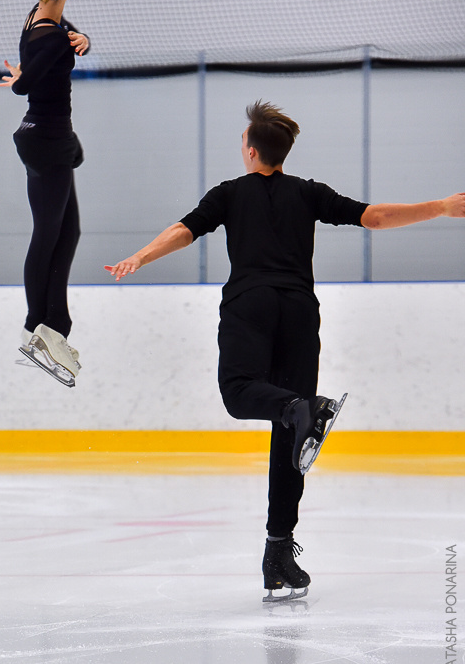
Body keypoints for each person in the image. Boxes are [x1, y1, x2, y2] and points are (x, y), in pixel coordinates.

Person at [105, 100, 465, 600]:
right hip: (298, 310)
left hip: (251, 304)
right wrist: (442, 207)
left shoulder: (229, 194)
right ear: (282, 153)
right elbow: (375, 218)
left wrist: (140, 256)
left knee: (240, 394)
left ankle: (296, 422)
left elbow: (185, 230)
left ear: (251, 152)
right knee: (292, 433)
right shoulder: (308, 193)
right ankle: (279, 549)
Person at [0, 0, 90, 386]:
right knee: (48, 233)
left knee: (66, 232)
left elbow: (62, 36)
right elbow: (27, 85)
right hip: (48, 138)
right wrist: (21, 77)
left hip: (47, 137)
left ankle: (53, 325)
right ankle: (38, 325)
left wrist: (83, 38)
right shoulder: (50, 34)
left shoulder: (37, 16)